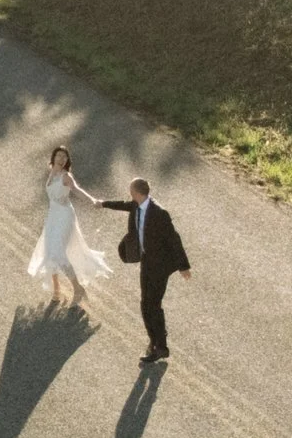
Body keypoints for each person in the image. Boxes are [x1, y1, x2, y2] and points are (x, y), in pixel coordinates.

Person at [98, 178, 190, 365]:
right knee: (145, 304)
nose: (129, 194)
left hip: (161, 266)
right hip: (147, 262)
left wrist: (183, 266)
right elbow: (123, 205)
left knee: (152, 304)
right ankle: (156, 341)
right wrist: (104, 204)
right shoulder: (136, 205)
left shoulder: (159, 213)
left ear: (137, 192)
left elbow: (174, 239)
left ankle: (159, 346)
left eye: (130, 190)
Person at [28, 145, 113, 310]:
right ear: (53, 159)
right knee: (49, 252)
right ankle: (57, 291)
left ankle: (78, 289)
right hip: (53, 216)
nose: (62, 159)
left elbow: (76, 190)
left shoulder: (66, 176)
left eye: (64, 157)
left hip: (65, 216)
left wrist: (92, 200)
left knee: (58, 252)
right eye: (59, 156)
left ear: (67, 161)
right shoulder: (52, 173)